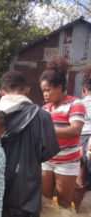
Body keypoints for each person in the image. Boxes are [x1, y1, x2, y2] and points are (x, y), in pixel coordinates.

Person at [0, 70, 60, 217]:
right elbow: (48, 151)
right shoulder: (42, 116)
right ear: (27, 90)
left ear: (1, 91)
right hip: (26, 193)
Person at [40, 55, 86, 209]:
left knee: (64, 203)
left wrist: (47, 131)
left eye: (48, 90)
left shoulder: (75, 104)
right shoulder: (45, 109)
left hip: (67, 162)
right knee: (45, 201)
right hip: (47, 160)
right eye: (43, 91)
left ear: (59, 88)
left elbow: (76, 130)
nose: (45, 94)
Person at [72, 65, 91, 211]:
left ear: (84, 90)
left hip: (82, 142)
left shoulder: (78, 104)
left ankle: (78, 212)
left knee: (79, 183)